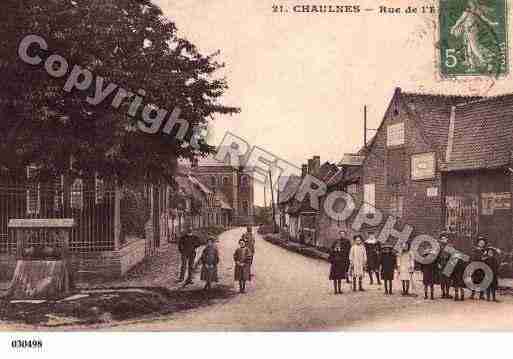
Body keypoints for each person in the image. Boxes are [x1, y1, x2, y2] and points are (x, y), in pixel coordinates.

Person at [470, 235, 488, 300]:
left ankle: (481, 295)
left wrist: (485, 256)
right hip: (476, 267)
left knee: (482, 280)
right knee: (474, 280)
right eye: (480, 243)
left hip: (483, 267)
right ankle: (472, 294)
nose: (482, 244)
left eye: (483, 243)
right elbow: (473, 258)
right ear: (478, 243)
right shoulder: (475, 250)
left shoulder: (485, 251)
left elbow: (487, 259)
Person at [438, 232, 453, 299]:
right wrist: (438, 264)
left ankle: (447, 293)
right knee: (442, 280)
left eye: (445, 239)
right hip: (441, 264)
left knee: (448, 280)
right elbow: (436, 257)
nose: (444, 240)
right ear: (440, 239)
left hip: (448, 265)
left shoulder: (450, 246)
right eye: (443, 239)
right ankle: (443, 293)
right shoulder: (438, 247)